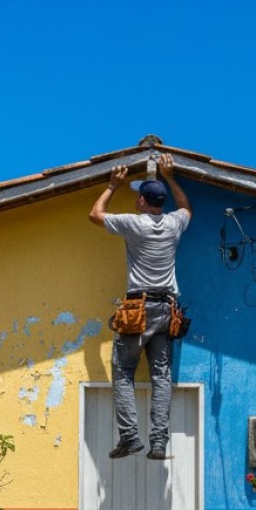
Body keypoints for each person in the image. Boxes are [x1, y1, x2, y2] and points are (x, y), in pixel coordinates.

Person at [89, 153, 192, 460]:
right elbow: (186, 208)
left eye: (138, 196)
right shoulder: (174, 223)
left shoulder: (133, 224)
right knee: (161, 377)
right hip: (167, 310)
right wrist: (170, 177)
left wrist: (112, 185)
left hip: (138, 309)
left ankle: (130, 437)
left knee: (124, 372)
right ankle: (158, 443)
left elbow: (95, 214)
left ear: (143, 201)